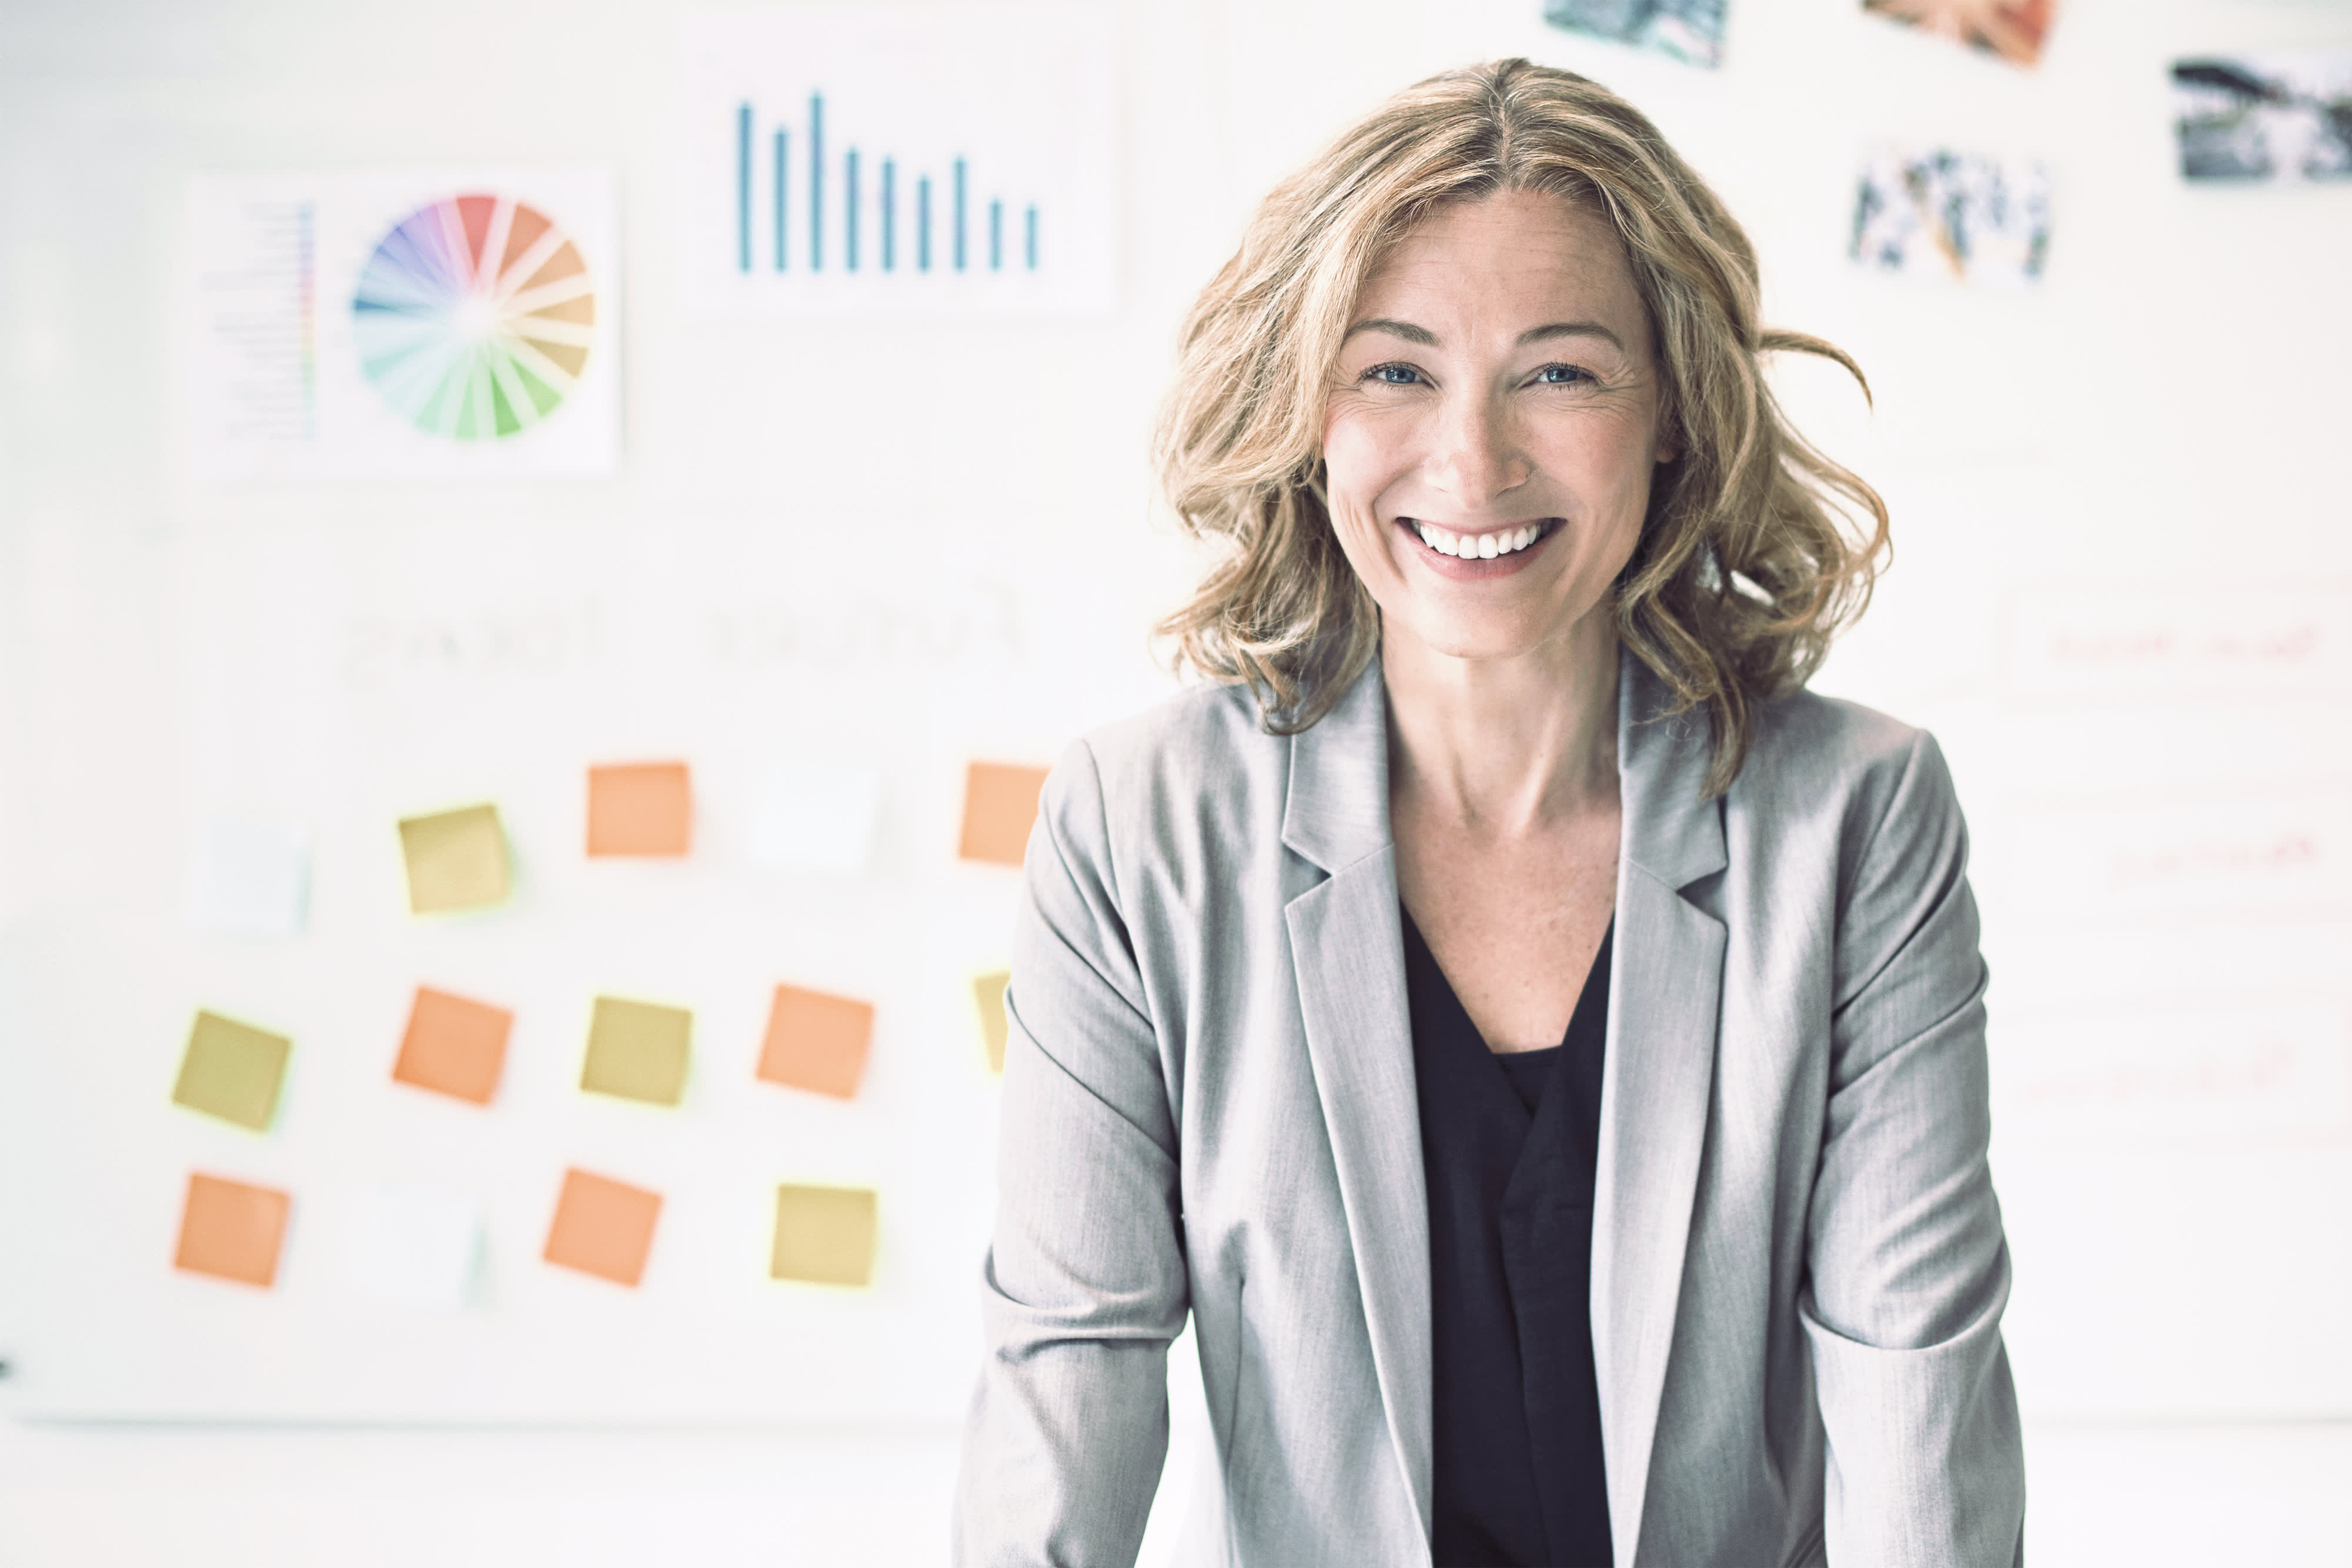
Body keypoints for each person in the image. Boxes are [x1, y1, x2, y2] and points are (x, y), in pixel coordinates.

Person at [953, 58, 2023, 1568]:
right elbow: (1063, 1394)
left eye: (1560, 370)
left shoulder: (1854, 821)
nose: (1472, 460)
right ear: (1307, 409)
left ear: (1672, 413)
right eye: (1394, 370)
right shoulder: (1135, 827)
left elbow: (1922, 1408)